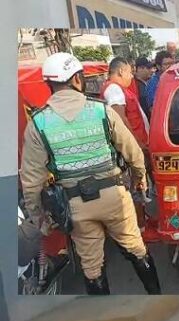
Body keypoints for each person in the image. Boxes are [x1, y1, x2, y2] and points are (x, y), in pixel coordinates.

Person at [20, 52, 161, 294]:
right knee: (137, 250)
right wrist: (141, 181)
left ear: (49, 84)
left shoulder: (39, 123)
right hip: (114, 197)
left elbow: (31, 181)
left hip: (75, 205)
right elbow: (133, 152)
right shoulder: (101, 111)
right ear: (77, 79)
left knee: (92, 267)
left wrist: (40, 217)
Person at [100, 57, 151, 232]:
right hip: (130, 148)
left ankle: (143, 221)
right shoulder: (114, 89)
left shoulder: (118, 89)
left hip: (136, 144)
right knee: (136, 186)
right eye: (129, 72)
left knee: (139, 186)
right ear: (121, 71)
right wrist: (136, 144)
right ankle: (140, 228)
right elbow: (120, 120)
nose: (131, 76)